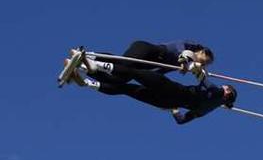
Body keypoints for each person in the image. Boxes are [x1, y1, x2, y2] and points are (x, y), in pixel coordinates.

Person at [69, 64, 237, 125]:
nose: (223, 87)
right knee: (126, 89)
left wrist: (196, 69)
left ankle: (92, 67)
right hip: (165, 102)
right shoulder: (205, 111)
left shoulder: (218, 92)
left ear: (227, 92)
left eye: (226, 87)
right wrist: (174, 110)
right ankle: (89, 83)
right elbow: (182, 121)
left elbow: (204, 81)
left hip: (172, 90)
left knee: (134, 72)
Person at [84, 40, 215, 83]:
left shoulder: (178, 65)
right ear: (201, 52)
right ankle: (90, 56)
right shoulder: (188, 48)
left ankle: (87, 69)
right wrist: (185, 61)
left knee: (121, 79)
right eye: (203, 61)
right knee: (122, 64)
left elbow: (160, 72)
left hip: (144, 64)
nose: (202, 64)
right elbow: (179, 49)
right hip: (146, 50)